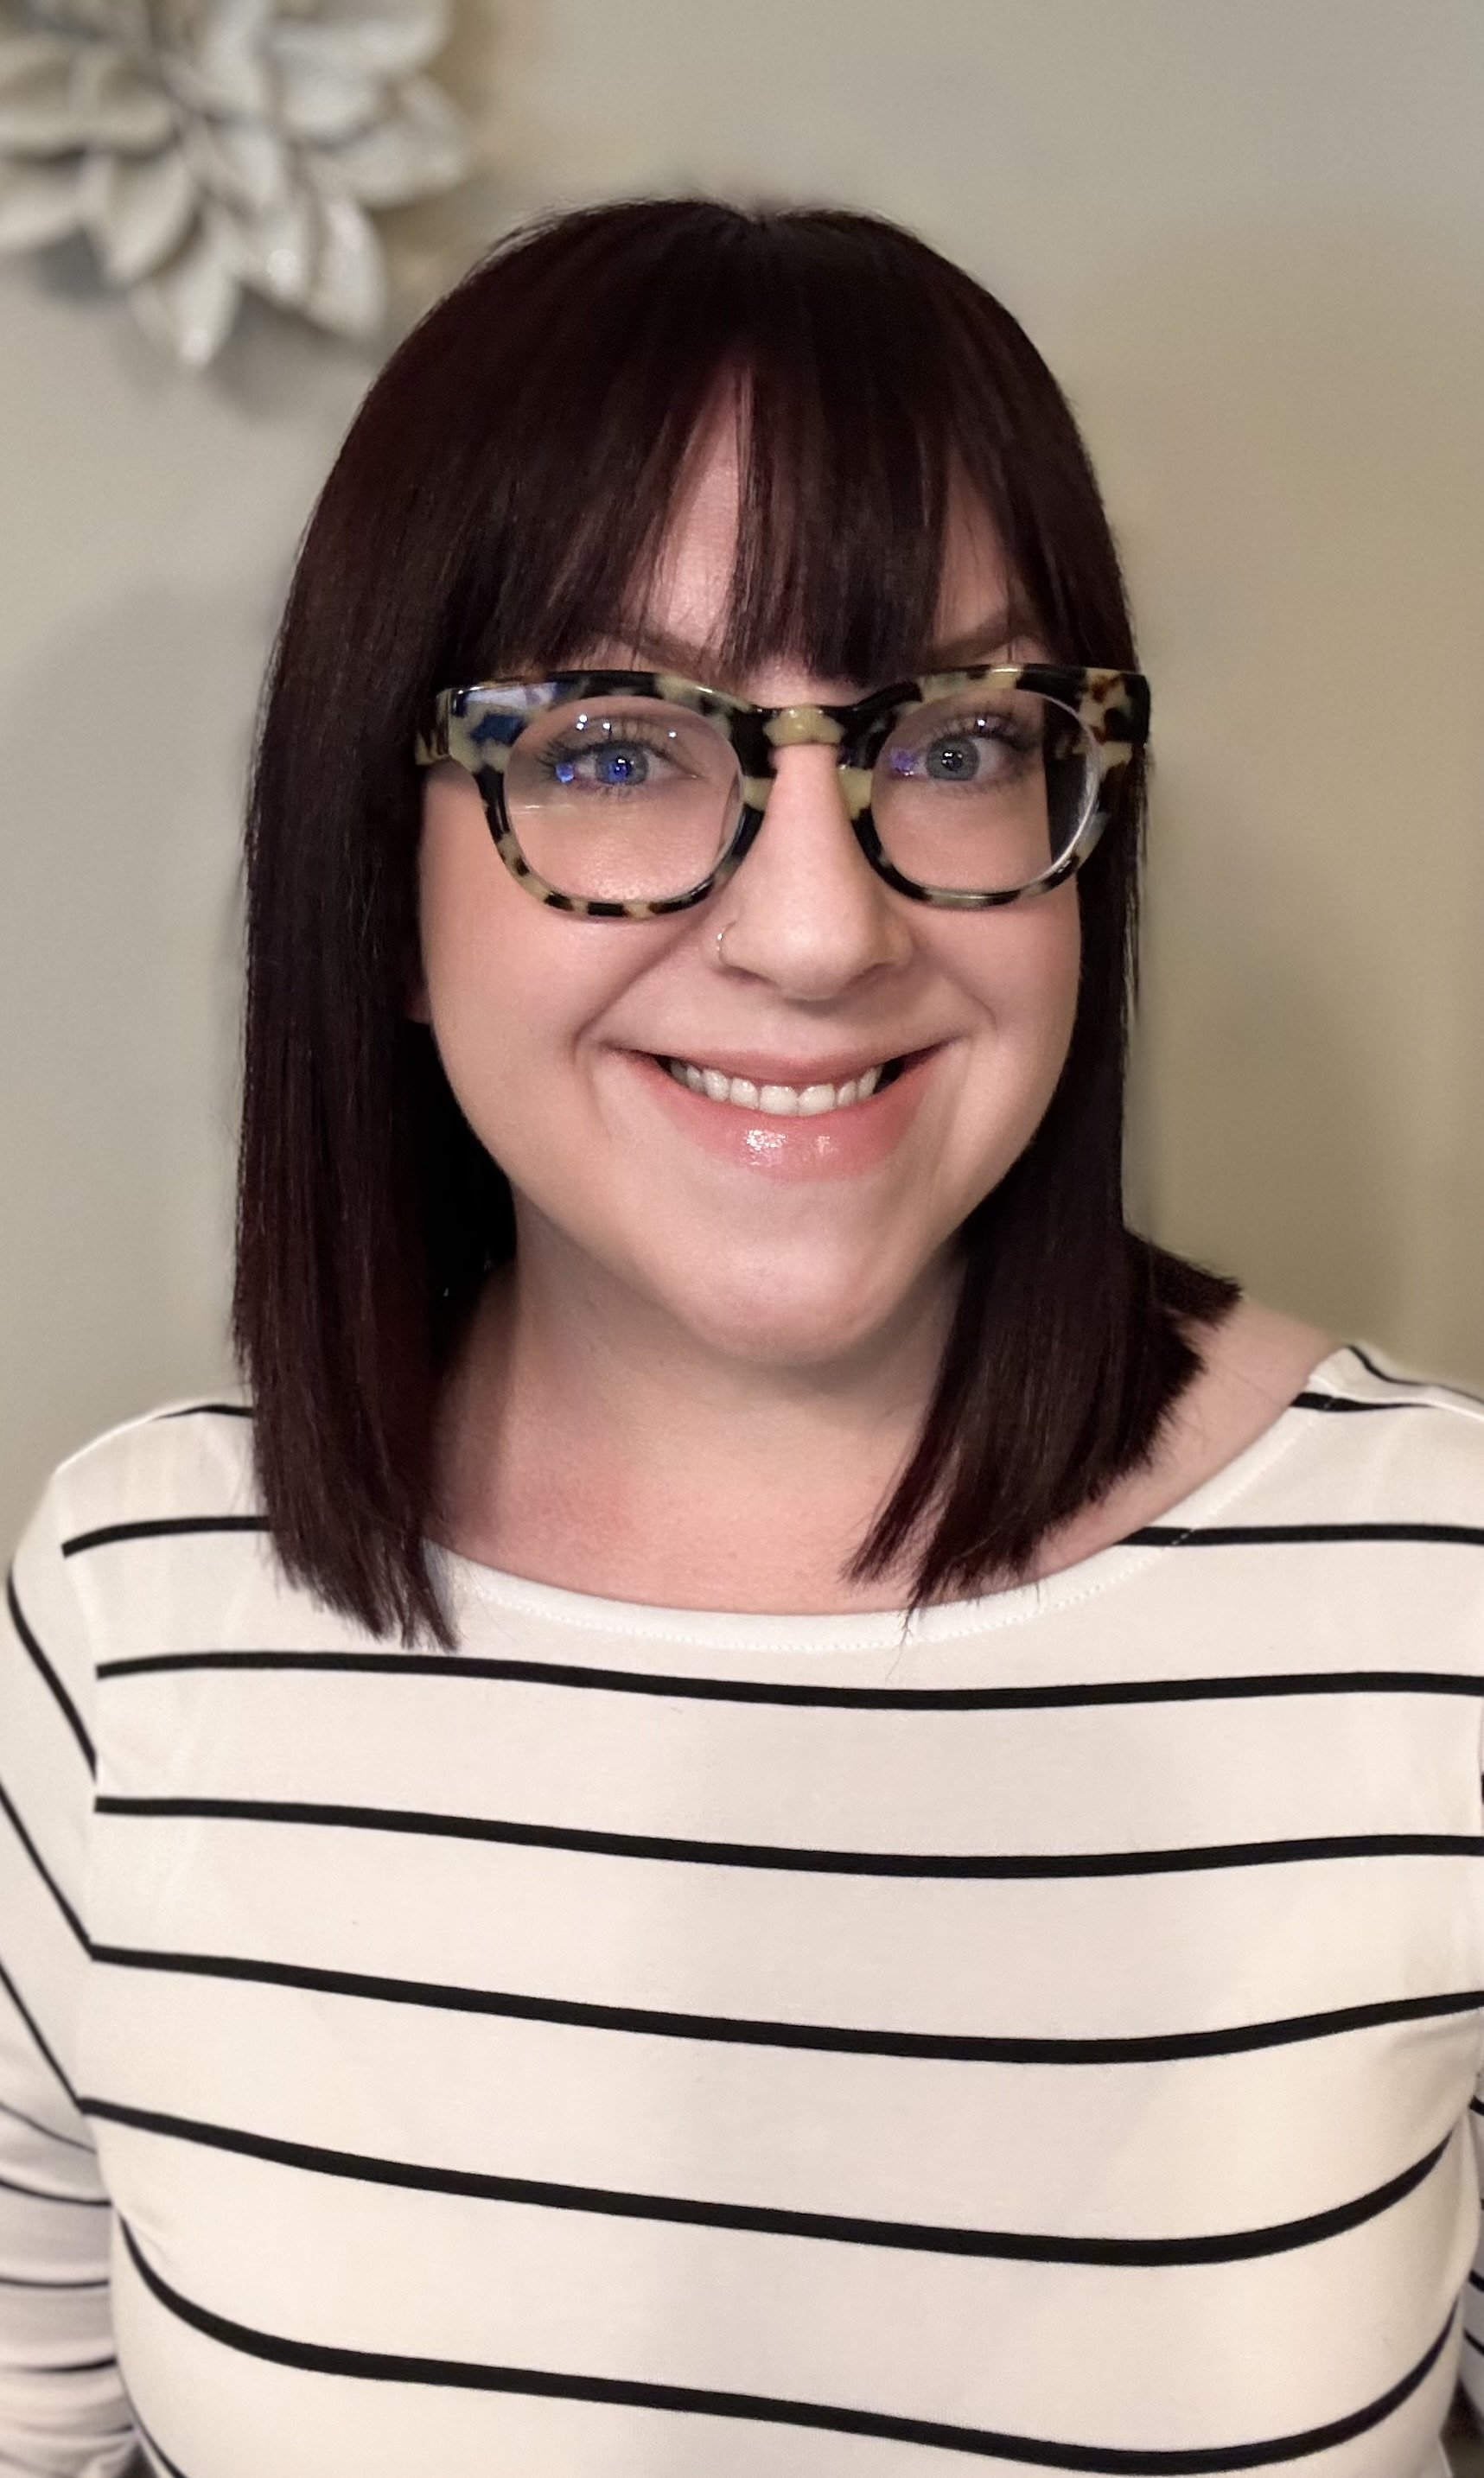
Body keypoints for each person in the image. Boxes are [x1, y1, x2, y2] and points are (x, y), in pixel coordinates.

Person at [2, 196, 1482, 2478]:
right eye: (613, 749)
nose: (818, 929)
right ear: (380, 886)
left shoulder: (1444, 1596)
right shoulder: (131, 1618)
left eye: (957, 737)